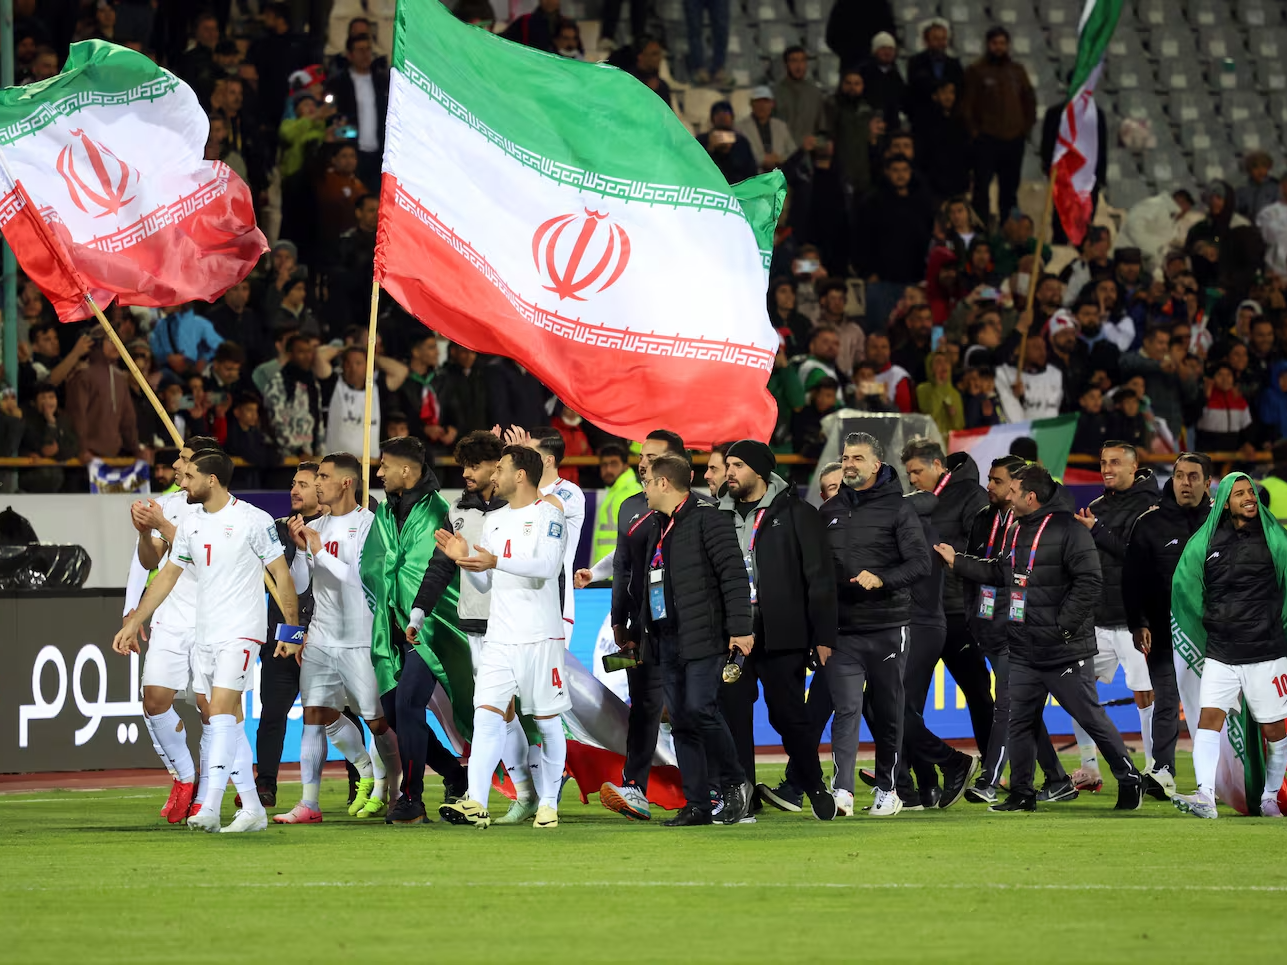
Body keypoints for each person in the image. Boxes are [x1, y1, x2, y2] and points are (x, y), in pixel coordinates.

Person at [936, 465, 1144, 812]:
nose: (1009, 496)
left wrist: (1063, 628)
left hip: (1063, 649)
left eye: (1014, 491)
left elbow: (1089, 582)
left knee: (1091, 717)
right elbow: (1000, 572)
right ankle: (1022, 793)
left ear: (1030, 497)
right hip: (1024, 646)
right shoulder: (1018, 530)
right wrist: (957, 561)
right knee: (1019, 720)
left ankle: (1128, 777)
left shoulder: (1070, 530)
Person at [113, 450, 300, 833]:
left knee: (217, 713)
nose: (182, 480)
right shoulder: (191, 523)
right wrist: (135, 619)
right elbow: (165, 576)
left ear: (211, 480)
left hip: (242, 631)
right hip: (205, 633)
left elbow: (281, 574)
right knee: (225, 718)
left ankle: (209, 805)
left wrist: (292, 631)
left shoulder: (253, 520)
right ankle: (252, 808)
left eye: (190, 475)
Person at [436, 445, 569, 829]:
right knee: (487, 715)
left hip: (540, 637)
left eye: (501, 470)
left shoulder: (549, 514)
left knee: (546, 722)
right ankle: (475, 801)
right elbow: (484, 581)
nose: (494, 477)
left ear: (521, 475)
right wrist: (464, 558)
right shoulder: (494, 521)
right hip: (499, 637)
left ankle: (547, 803)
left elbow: (545, 567)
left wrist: (496, 561)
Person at [274, 453, 401, 824]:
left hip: (360, 640)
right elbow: (301, 585)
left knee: (377, 722)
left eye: (323, 477)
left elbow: (361, 578)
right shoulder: (319, 526)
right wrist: (300, 552)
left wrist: (316, 550)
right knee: (313, 715)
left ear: (347, 482)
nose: (316, 485)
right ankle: (309, 803)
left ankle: (395, 789)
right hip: (322, 638)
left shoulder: (370, 526)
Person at [714, 441, 837, 820]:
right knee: (732, 712)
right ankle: (742, 795)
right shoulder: (716, 516)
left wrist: (823, 636)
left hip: (782, 632)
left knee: (786, 715)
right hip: (733, 632)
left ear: (760, 471)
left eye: (737, 465)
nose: (729, 472)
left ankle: (813, 783)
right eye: (728, 464)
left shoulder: (796, 512)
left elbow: (819, 578)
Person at [638, 452, 753, 827]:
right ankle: (699, 804)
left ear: (663, 483)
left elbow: (734, 577)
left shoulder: (708, 519)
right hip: (667, 637)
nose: (644, 487)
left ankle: (736, 783)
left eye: (647, 480)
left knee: (701, 709)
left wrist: (741, 629)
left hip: (703, 635)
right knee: (683, 720)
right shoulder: (658, 525)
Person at [362, 437, 471, 824]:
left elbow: (429, 569)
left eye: (384, 465)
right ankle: (456, 774)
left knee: (408, 705)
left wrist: (415, 612)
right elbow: (373, 562)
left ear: (406, 471)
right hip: (393, 624)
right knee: (395, 712)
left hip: (432, 625)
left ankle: (411, 799)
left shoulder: (436, 510)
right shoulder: (387, 513)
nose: (378, 472)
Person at [821, 433, 930, 817]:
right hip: (842, 631)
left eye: (857, 458)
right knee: (846, 710)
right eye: (846, 457)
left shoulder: (899, 510)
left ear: (876, 466)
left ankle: (888, 788)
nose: (849, 463)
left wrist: (882, 578)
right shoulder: (829, 510)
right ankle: (843, 793)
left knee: (888, 711)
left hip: (887, 626)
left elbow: (921, 563)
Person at [1172, 473, 1287, 819]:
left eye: (1251, 491)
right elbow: (1186, 587)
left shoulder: (1275, 540)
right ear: (1225, 501)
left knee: (1275, 729)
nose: (1249, 497)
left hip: (1266, 650)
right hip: (1221, 650)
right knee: (1209, 720)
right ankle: (1206, 796)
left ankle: (1269, 798)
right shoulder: (1205, 542)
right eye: (1240, 493)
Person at [119, 439, 221, 823]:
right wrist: (147, 533)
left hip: (214, 618)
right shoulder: (171, 503)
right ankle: (185, 777)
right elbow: (149, 560)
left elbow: (204, 553)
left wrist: (161, 524)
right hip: (172, 615)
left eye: (184, 459)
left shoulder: (229, 510)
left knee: (213, 712)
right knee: (154, 699)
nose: (176, 466)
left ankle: (210, 793)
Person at [961, 456, 1072, 803]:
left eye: (996, 481)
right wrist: (974, 618)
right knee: (1021, 707)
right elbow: (979, 572)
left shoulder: (1040, 521)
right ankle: (1057, 779)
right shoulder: (983, 517)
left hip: (1021, 627)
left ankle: (990, 780)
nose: (989, 486)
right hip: (989, 625)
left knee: (1007, 705)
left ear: (1017, 486)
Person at [595, 430, 690, 821]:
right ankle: (634, 787)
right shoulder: (632, 506)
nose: (642, 461)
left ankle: (706, 787)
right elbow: (622, 566)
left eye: (652, 456)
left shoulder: (695, 509)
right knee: (645, 708)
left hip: (685, 627)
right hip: (641, 626)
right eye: (642, 454)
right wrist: (620, 619)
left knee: (689, 710)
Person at [901, 440, 996, 768]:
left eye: (917, 471)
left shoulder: (971, 495)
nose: (912, 479)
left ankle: (991, 767)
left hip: (958, 612)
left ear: (938, 466)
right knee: (908, 700)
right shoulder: (913, 502)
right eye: (909, 473)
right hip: (922, 612)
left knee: (980, 694)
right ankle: (906, 774)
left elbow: (982, 550)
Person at [1071, 442, 1161, 791]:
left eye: (1115, 463)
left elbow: (1140, 557)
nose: (1107, 468)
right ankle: (1090, 767)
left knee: (1146, 694)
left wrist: (1096, 531)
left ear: (1134, 466)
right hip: (1097, 618)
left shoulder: (1153, 509)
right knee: (1079, 690)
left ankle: (1155, 769)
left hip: (1137, 620)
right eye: (1102, 462)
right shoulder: (1095, 507)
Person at [1123, 452, 1213, 800]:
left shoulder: (1222, 523)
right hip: (1164, 631)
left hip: (1214, 635)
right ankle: (1162, 771)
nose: (1185, 483)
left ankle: (1222, 775)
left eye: (1193, 477)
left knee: (1219, 705)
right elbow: (1133, 580)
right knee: (1166, 699)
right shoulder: (1149, 524)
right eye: (1179, 476)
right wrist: (1138, 623)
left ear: (1207, 483)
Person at [254, 462, 324, 807]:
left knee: (344, 714)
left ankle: (362, 780)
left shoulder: (335, 528)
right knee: (272, 714)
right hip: (283, 637)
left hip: (326, 639)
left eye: (305, 484)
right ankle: (265, 783)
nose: (295, 490)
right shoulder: (274, 530)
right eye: (293, 483)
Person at [961, 26, 1035, 223]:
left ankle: (1009, 231)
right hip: (986, 139)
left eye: (1002, 43)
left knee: (1010, 190)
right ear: (988, 45)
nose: (999, 48)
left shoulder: (1017, 71)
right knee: (981, 188)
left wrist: (1024, 129)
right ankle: (980, 231)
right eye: (995, 43)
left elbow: (1029, 101)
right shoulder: (976, 71)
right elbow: (967, 106)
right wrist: (975, 133)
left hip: (1013, 139)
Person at [592, 442, 641, 566]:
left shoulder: (631, 492)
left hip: (620, 571)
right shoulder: (614, 492)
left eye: (613, 464)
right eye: (604, 465)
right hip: (609, 570)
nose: (608, 470)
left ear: (625, 466)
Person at [773, 46, 826, 148]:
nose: (799, 66)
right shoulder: (774, 92)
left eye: (803, 61)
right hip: (779, 156)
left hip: (806, 156)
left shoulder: (815, 93)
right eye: (794, 61)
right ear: (785, 64)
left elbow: (823, 134)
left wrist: (816, 142)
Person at [736, 86, 797, 173]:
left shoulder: (781, 126)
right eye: (758, 101)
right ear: (751, 104)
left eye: (766, 101)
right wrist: (762, 159)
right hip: (753, 176)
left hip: (779, 175)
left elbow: (792, 152)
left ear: (772, 104)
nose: (762, 106)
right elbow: (739, 155)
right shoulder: (740, 127)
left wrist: (779, 158)